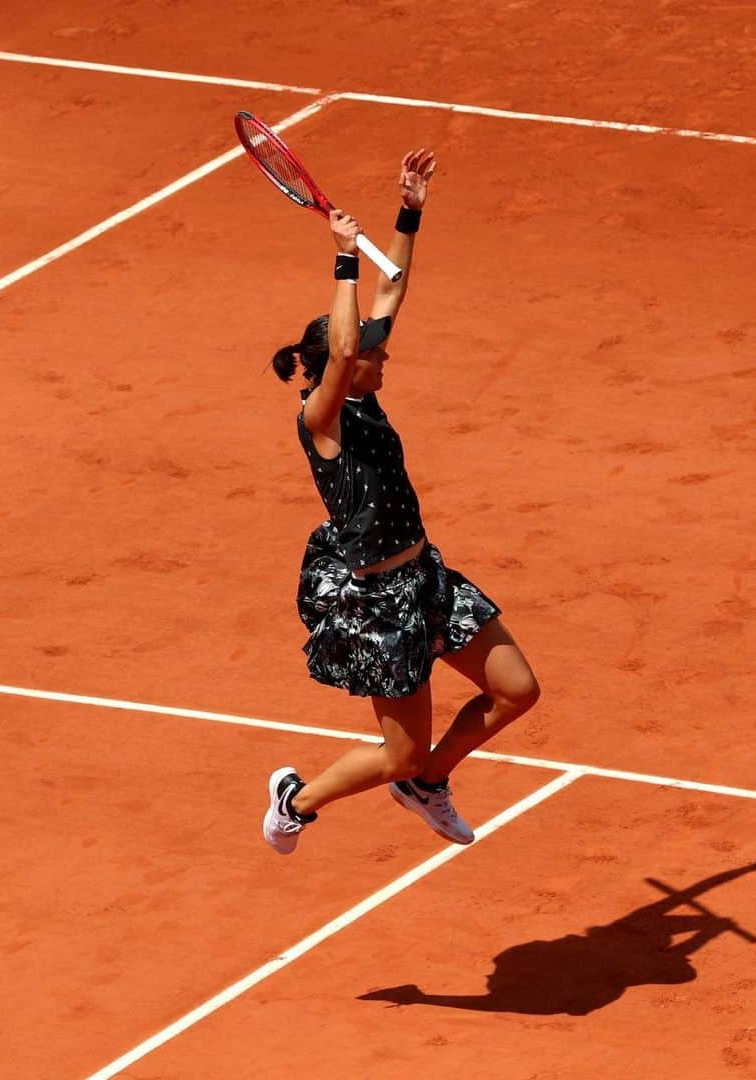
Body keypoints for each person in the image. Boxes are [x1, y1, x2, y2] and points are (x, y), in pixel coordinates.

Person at [263, 149, 540, 855]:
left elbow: (390, 301)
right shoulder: (322, 418)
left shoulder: (358, 382)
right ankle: (297, 801)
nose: (386, 359)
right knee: (398, 754)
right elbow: (355, 333)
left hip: (428, 579)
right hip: (380, 605)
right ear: (343, 368)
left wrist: (407, 213)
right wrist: (343, 260)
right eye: (373, 359)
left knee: (516, 690)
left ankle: (429, 786)